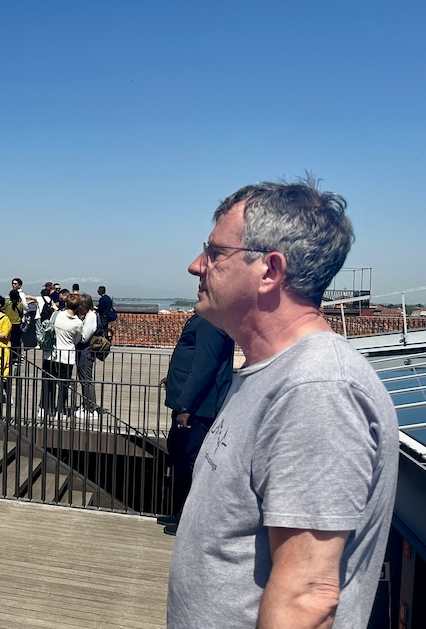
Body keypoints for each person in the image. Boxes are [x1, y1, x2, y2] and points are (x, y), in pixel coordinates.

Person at [166, 180, 399, 629]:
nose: (196, 266)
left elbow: (307, 597)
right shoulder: (270, 372)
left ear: (270, 270)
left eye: (215, 253)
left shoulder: (317, 389)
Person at [158, 313, 233, 535]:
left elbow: (205, 366)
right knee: (178, 454)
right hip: (188, 404)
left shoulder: (211, 321)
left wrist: (187, 407)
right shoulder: (204, 318)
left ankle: (188, 519)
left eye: (204, 286)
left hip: (198, 409)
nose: (200, 288)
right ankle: (180, 511)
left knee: (192, 460)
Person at [51, 293, 83, 416]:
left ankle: (48, 408)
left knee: (52, 382)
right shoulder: (78, 323)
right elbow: (77, 339)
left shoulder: (58, 316)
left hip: (55, 353)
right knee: (64, 384)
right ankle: (61, 410)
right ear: (77, 307)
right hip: (68, 355)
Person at [73, 293, 100, 419]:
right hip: (84, 352)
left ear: (85, 306)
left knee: (86, 380)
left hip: (86, 351)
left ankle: (90, 408)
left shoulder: (91, 318)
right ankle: (87, 404)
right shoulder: (89, 316)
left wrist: (74, 336)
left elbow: (84, 338)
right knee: (84, 379)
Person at [4, 289, 26, 364]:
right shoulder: (20, 304)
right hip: (17, 324)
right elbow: (21, 314)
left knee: (9, 341)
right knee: (17, 342)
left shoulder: (7, 304)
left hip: (8, 325)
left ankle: (9, 357)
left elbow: (1, 309)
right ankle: (17, 357)